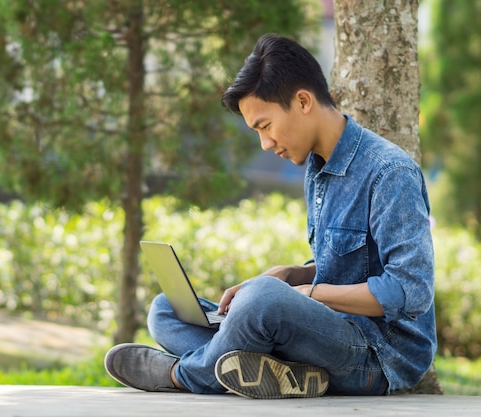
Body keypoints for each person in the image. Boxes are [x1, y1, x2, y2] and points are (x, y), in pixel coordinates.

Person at [104, 33, 436, 399]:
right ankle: (288, 373)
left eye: (265, 126)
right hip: (324, 336)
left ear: (303, 101)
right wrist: (292, 273)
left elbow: (410, 290)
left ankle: (185, 375)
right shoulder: (317, 166)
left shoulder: (390, 173)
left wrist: (304, 293)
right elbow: (350, 262)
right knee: (166, 310)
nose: (265, 143)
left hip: (379, 355)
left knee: (262, 299)